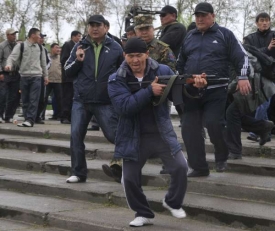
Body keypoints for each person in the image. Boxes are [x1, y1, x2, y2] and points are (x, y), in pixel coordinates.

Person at [108, 37, 190, 227]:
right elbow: (124, 107)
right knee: (128, 178)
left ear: (147, 54)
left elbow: (179, 96)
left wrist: (196, 88)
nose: (135, 60)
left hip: (161, 132)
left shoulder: (163, 71)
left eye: (139, 55)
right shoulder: (116, 78)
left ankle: (172, 201)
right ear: (124, 56)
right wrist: (149, 91)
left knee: (180, 167)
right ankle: (143, 213)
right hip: (133, 135)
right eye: (130, 56)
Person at [176, 2, 251, 177]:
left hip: (216, 90)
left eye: (204, 15)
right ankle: (199, 167)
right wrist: (181, 79)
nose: (200, 19)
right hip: (191, 90)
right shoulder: (189, 36)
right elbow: (180, 62)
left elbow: (242, 57)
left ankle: (222, 155)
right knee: (189, 128)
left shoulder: (225, 34)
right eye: (197, 16)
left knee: (213, 123)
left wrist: (243, 77)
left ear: (213, 16)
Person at [101, 15, 177, 182]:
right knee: (128, 131)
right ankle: (119, 167)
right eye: (140, 29)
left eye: (147, 29)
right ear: (135, 31)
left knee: (161, 133)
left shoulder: (163, 49)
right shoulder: (129, 48)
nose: (143, 32)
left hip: (158, 99)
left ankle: (170, 165)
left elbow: (170, 74)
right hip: (134, 98)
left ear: (152, 29)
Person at [64, 14, 123, 183]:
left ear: (106, 27)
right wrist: (78, 60)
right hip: (81, 100)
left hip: (105, 101)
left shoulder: (116, 48)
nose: (94, 28)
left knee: (115, 135)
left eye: (98, 25)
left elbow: (123, 73)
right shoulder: (79, 46)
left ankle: (124, 166)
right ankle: (78, 172)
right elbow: (67, 71)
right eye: (91, 25)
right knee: (76, 135)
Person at [5, 28, 48, 127]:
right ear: (33, 35)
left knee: (34, 99)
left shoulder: (41, 48)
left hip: (37, 76)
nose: (40, 37)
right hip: (24, 76)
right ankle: (27, 118)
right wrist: (9, 65)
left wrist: (46, 76)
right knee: (25, 100)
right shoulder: (21, 46)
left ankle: (30, 120)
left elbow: (44, 64)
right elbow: (12, 57)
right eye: (38, 35)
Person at [243, 12, 275, 143]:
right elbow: (249, 53)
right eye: (262, 20)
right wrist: (267, 49)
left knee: (265, 103)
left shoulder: (273, 35)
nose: (265, 23)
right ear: (257, 23)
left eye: (267, 20)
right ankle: (259, 130)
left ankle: (260, 131)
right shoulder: (250, 38)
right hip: (257, 75)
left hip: (272, 74)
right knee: (263, 102)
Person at [60, 30, 82, 124]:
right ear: (73, 36)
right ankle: (64, 116)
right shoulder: (68, 45)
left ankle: (70, 116)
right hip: (67, 77)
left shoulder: (78, 46)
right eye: (78, 36)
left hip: (74, 77)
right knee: (67, 97)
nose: (79, 38)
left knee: (73, 97)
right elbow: (64, 60)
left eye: (80, 36)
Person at [0, 28, 20, 123]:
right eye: (12, 34)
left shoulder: (18, 46)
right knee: (3, 95)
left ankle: (9, 116)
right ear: (7, 35)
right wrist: (0, 73)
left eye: (15, 34)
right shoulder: (2, 46)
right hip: (5, 74)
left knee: (13, 96)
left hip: (15, 74)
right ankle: (0, 115)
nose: (14, 36)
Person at [42, 43, 62, 119]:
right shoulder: (47, 57)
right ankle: (41, 115)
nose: (58, 49)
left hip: (58, 81)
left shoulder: (61, 58)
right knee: (44, 98)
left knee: (59, 99)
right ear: (52, 48)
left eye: (59, 48)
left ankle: (58, 115)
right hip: (48, 80)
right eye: (56, 47)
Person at [36, 33, 51, 123]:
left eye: (43, 38)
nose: (42, 39)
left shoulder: (44, 50)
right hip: (32, 75)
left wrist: (44, 72)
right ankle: (29, 116)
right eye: (40, 37)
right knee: (32, 98)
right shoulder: (29, 48)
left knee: (42, 97)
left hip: (41, 76)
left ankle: (38, 116)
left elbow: (48, 63)